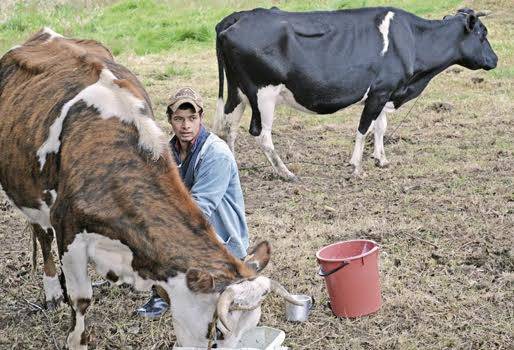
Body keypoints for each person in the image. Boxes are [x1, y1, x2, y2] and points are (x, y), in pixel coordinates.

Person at [136, 87, 250, 318]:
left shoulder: (216, 153)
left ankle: (173, 287)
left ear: (201, 118)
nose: (185, 126)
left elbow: (200, 210)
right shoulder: (167, 152)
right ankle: (163, 291)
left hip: (219, 237)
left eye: (192, 118)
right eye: (178, 119)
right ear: (169, 120)